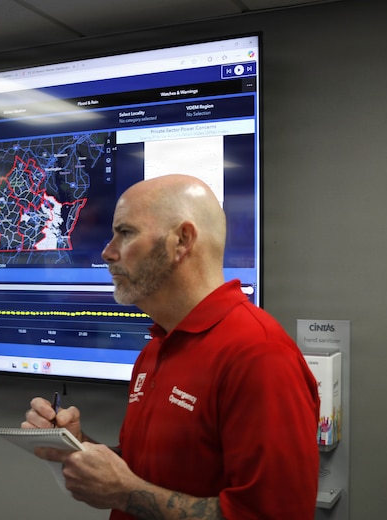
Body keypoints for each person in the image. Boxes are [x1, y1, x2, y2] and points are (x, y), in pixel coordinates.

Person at [23, 174, 320, 519]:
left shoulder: (259, 356)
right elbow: (149, 474)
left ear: (182, 240)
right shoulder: (157, 347)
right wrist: (78, 445)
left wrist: (125, 492)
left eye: (126, 232)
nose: (107, 252)